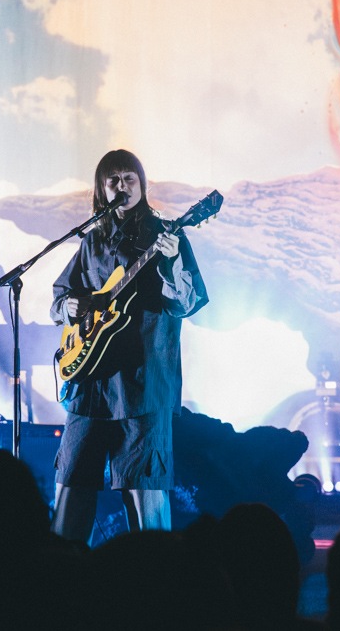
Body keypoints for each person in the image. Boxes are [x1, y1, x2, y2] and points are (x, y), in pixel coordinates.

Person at [49, 149, 208, 543]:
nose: (122, 186)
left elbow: (187, 304)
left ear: (142, 183)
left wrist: (171, 263)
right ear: (102, 189)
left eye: (129, 178)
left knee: (145, 495)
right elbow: (61, 295)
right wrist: (66, 306)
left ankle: (155, 583)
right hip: (91, 385)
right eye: (113, 180)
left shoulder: (167, 234)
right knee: (72, 485)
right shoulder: (92, 242)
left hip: (144, 384)